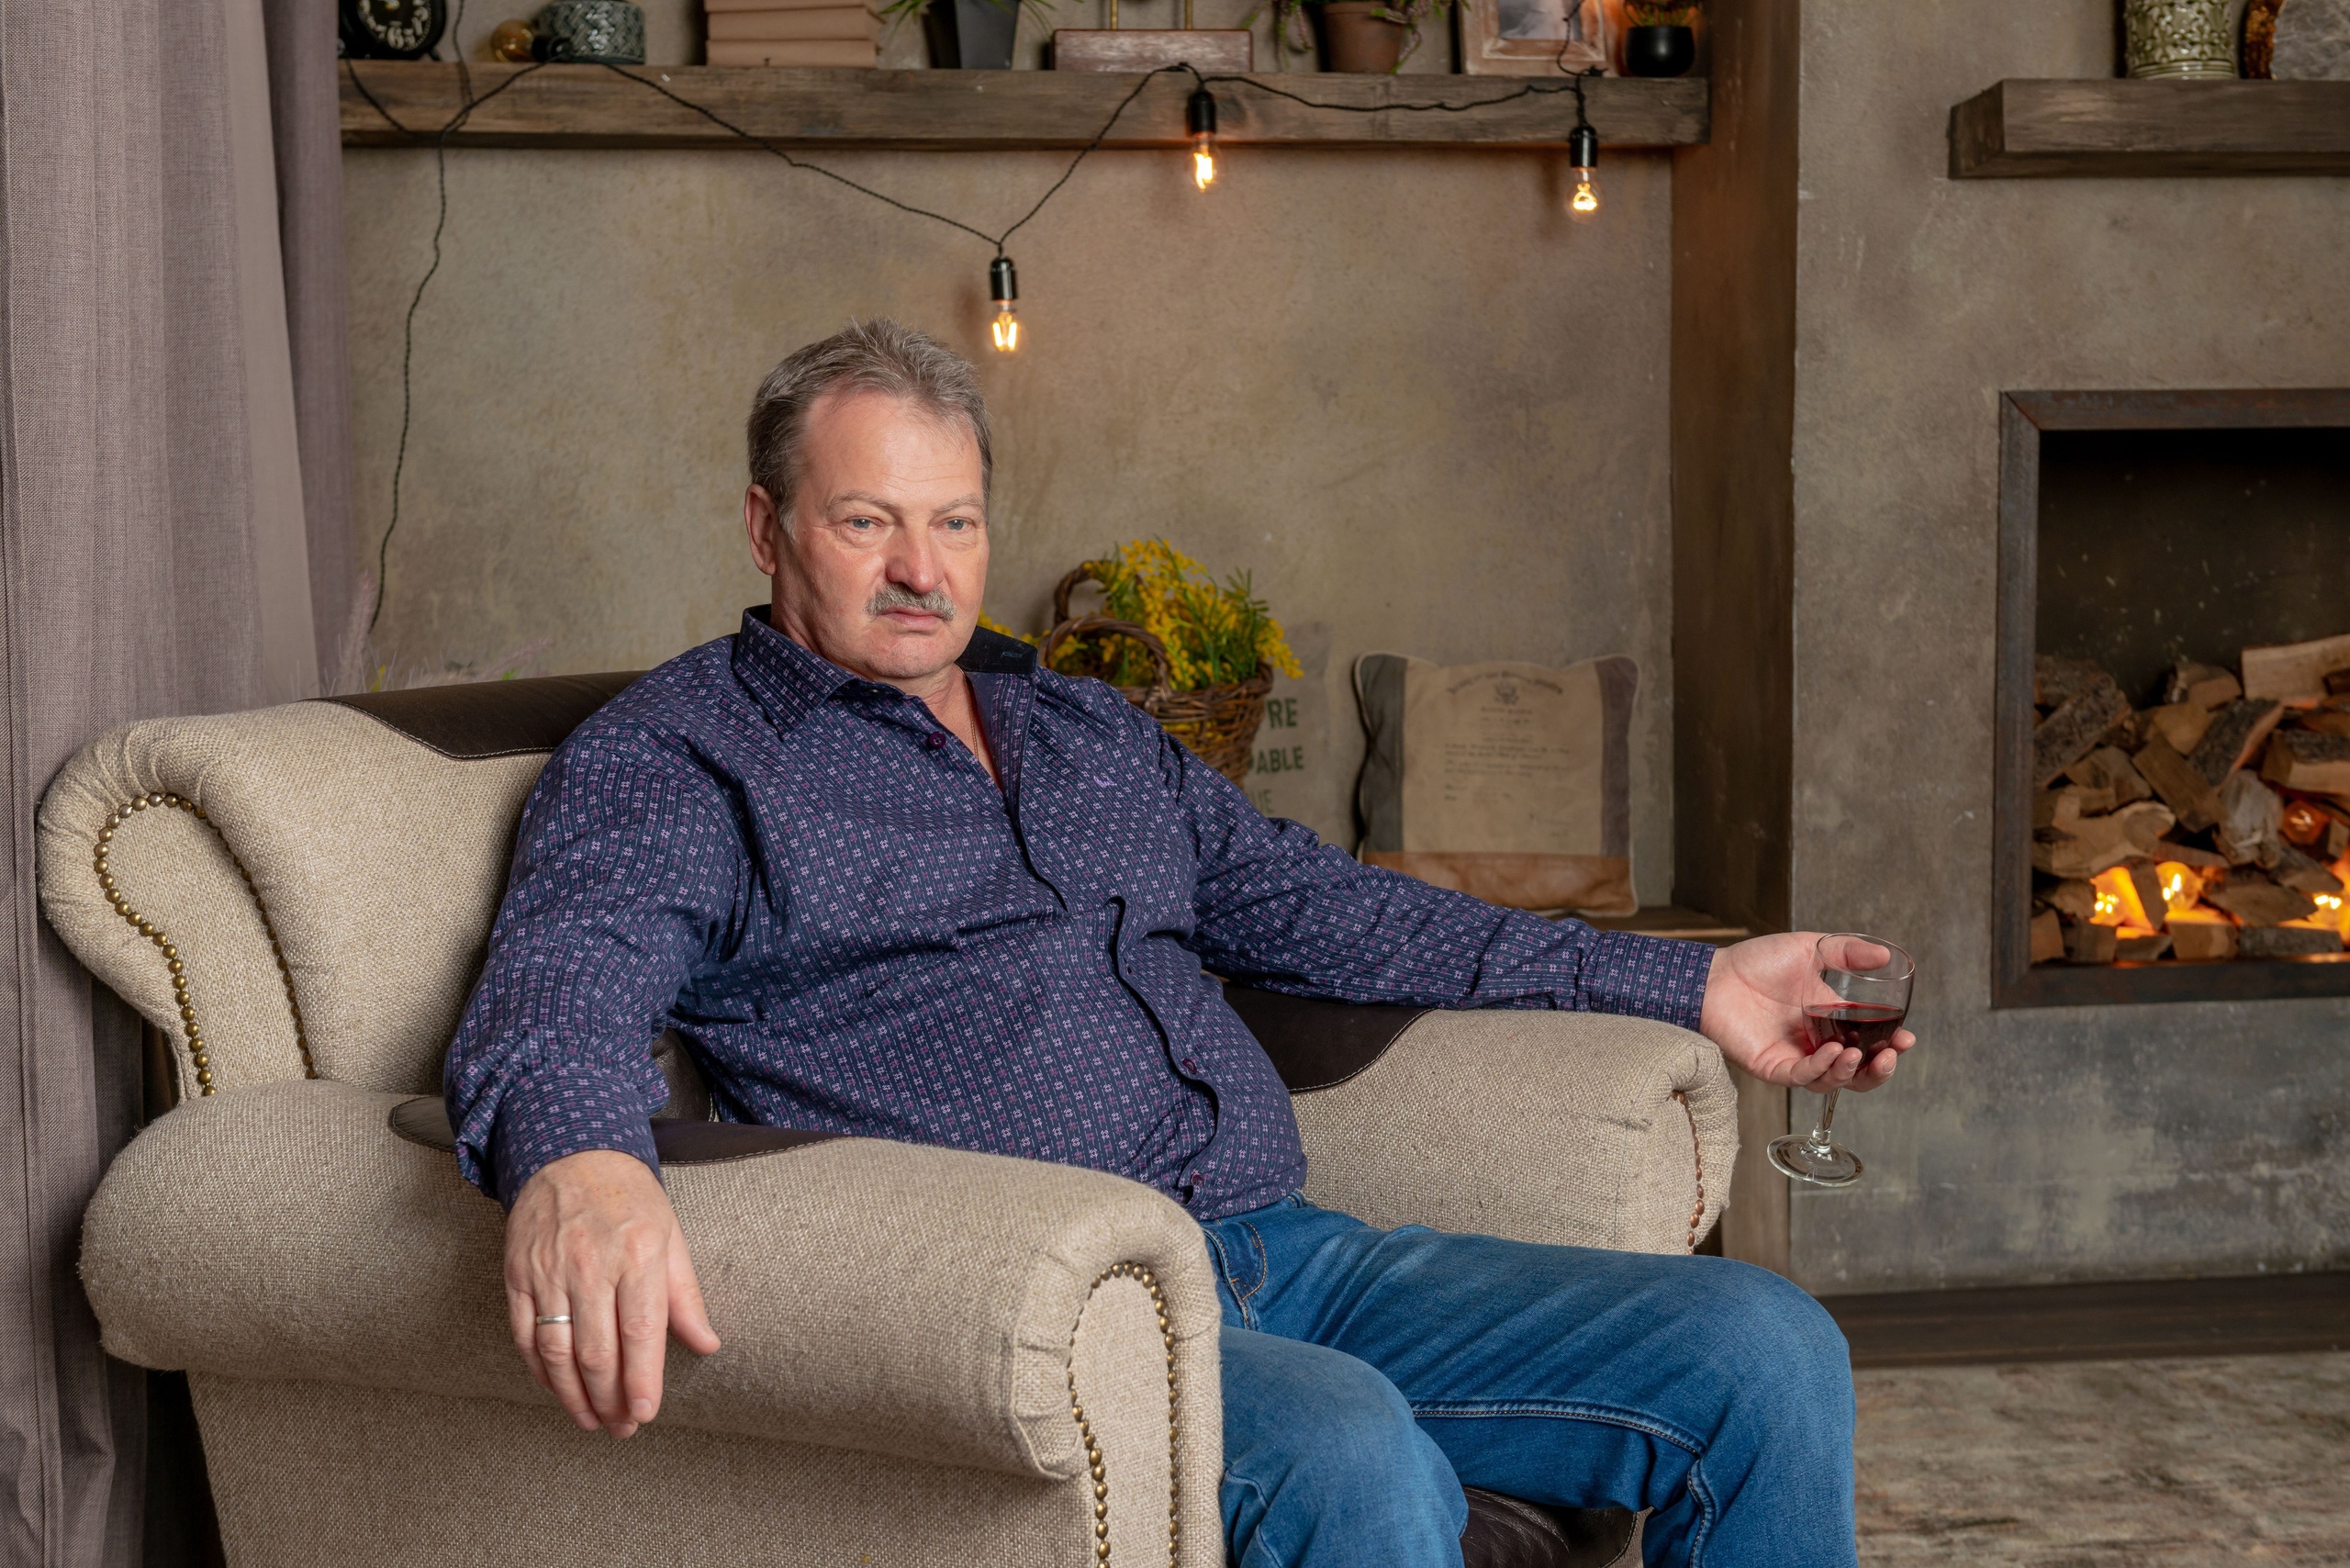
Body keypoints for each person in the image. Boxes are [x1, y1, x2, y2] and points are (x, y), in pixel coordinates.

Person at [444, 319, 1912, 1568]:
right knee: (1350, 1454)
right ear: (765, 527)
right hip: (1063, 1301)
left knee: (1764, 1352)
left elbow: (1338, 911)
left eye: (953, 521)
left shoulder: (1079, 729)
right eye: (863, 520)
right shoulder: (683, 759)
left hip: (1289, 1254)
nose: (920, 569)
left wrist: (1703, 978)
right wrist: (579, 1159)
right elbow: (568, 974)